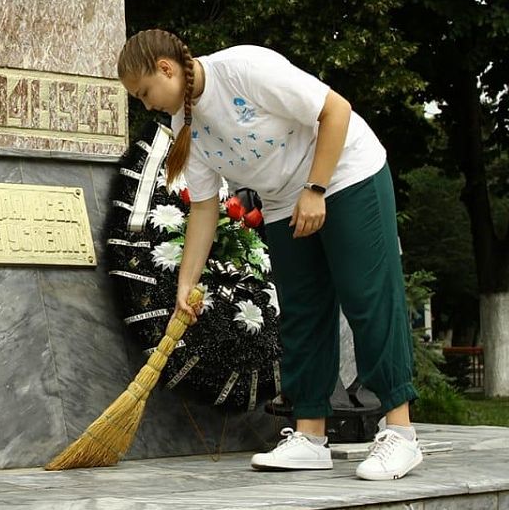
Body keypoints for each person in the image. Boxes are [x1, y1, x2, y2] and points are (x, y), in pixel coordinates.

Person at [117, 30, 421, 481]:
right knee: (302, 311)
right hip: (284, 202)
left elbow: (335, 110)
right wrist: (186, 282)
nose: (146, 105)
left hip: (345, 175)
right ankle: (310, 435)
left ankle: (400, 433)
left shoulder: (244, 69)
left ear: (166, 68)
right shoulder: (186, 128)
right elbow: (203, 208)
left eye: (145, 93)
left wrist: (316, 189)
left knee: (366, 296)